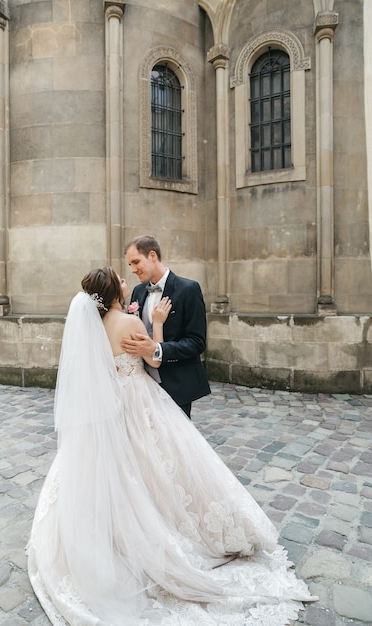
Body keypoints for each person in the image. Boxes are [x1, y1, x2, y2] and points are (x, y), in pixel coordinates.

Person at [27, 266, 316, 626]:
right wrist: (158, 322)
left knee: (127, 475)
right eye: (120, 275)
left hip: (111, 411)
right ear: (114, 290)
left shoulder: (93, 329)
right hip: (141, 404)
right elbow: (150, 360)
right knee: (161, 468)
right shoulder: (130, 324)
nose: (125, 277)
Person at [122, 235, 210, 417]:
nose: (132, 269)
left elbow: (197, 342)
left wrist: (158, 350)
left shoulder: (188, 289)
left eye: (135, 262)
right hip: (143, 384)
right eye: (129, 264)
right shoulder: (138, 291)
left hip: (177, 384)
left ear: (152, 255)